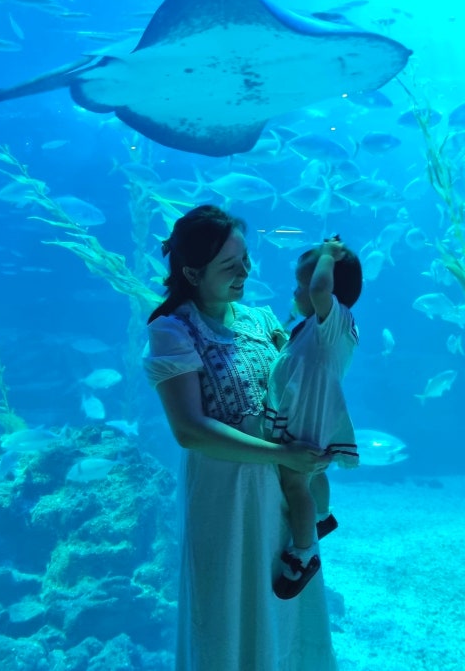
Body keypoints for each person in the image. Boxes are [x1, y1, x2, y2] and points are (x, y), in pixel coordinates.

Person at [143, 205, 337, 671]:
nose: (245, 272)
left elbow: (299, 378)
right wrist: (283, 453)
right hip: (225, 496)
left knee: (287, 609)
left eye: (245, 259)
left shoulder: (261, 320)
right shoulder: (172, 330)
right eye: (230, 266)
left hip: (284, 489)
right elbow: (190, 430)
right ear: (193, 273)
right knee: (226, 606)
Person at [265, 236, 362, 600]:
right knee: (316, 472)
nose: (296, 291)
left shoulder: (335, 319)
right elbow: (302, 361)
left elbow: (321, 288)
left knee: (295, 482)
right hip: (313, 413)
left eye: (301, 284)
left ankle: (304, 554)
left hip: (307, 416)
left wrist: (328, 255)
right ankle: (322, 517)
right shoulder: (318, 326)